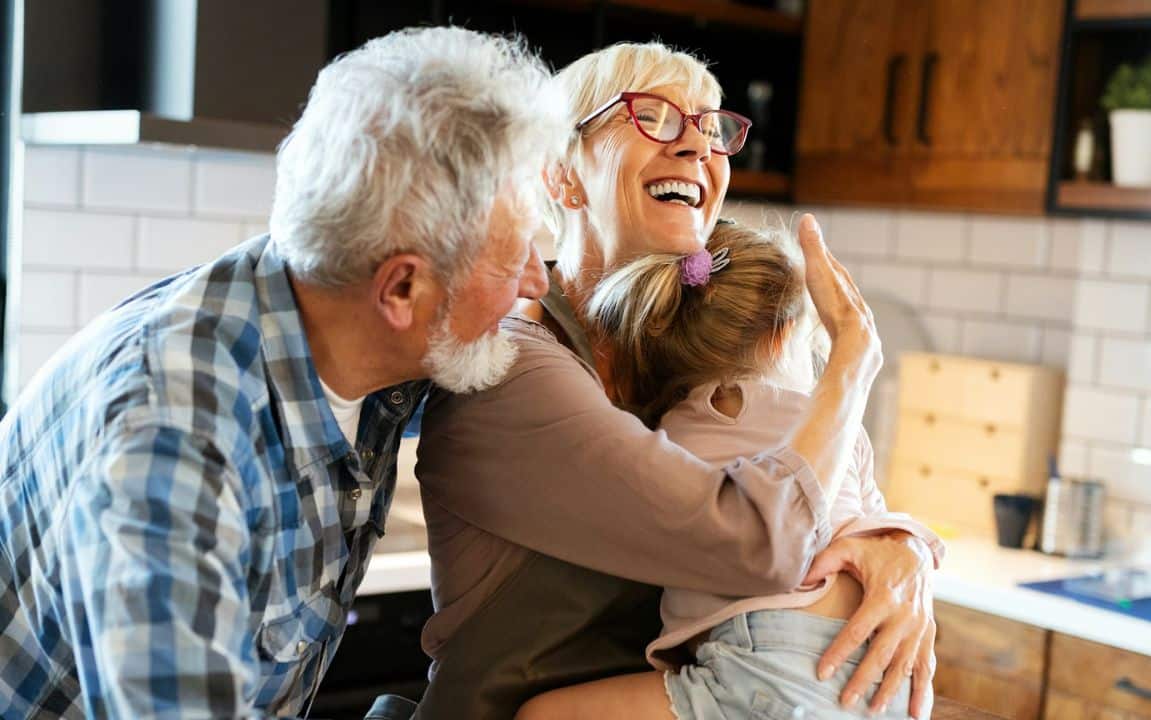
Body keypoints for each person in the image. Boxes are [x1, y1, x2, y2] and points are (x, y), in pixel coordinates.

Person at [0, 27, 562, 718]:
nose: (537, 278)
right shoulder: (171, 437)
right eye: (513, 260)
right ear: (401, 291)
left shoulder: (344, 321)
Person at [412, 42, 943, 719]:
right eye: (653, 117)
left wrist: (902, 548)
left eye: (711, 126)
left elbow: (839, 491)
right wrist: (852, 363)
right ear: (561, 177)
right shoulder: (510, 365)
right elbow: (761, 541)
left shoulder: (710, 353)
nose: (697, 146)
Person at [514, 222, 938, 719]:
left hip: (764, 664)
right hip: (882, 677)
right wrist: (913, 547)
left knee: (542, 715)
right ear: (783, 337)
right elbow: (883, 532)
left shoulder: (665, 432)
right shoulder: (842, 427)